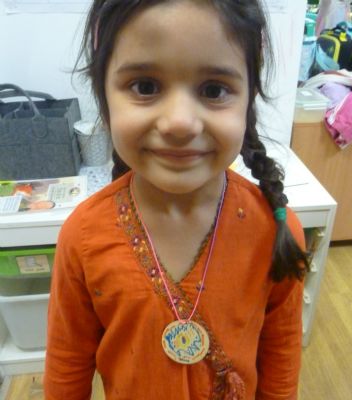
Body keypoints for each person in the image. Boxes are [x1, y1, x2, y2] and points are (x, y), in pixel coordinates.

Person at [44, 1, 308, 399]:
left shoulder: (275, 229)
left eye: (214, 90)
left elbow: (281, 361)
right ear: (104, 97)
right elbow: (67, 366)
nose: (180, 122)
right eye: (145, 87)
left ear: (249, 98)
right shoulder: (82, 236)